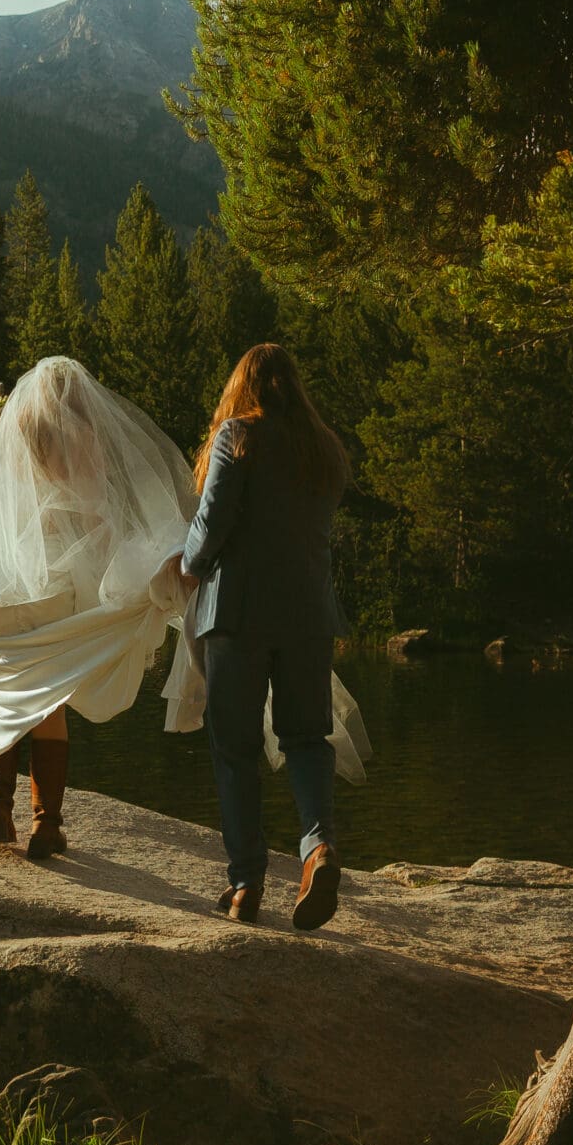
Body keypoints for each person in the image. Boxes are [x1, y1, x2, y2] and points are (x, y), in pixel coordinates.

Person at [0, 357, 198, 860]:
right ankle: (46, 825)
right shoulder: (83, 443)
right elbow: (96, 517)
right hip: (51, 592)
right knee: (49, 702)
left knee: (3, 695)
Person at [178, 343, 353, 928]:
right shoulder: (324, 449)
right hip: (308, 616)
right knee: (306, 737)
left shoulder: (236, 437)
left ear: (243, 386)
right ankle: (318, 848)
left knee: (235, 748)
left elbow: (212, 522)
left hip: (238, 614)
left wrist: (188, 563)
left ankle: (246, 883)